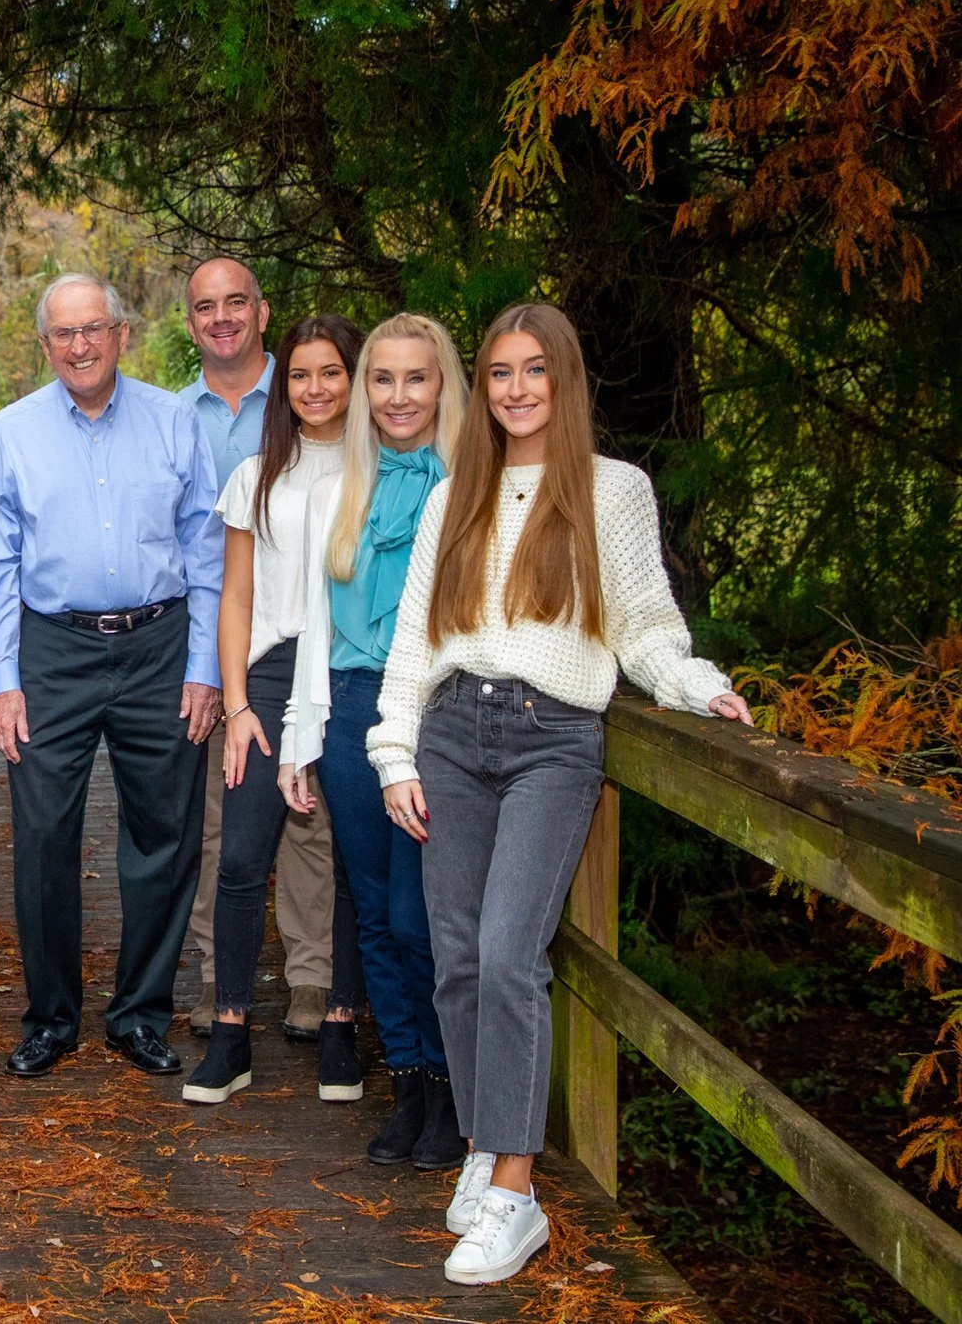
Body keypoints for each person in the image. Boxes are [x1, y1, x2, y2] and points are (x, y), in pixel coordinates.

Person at [371, 302, 751, 1284]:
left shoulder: (609, 489)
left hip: (551, 740)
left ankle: (513, 1188)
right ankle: (479, 1147)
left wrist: (692, 684)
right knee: (454, 958)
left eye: (532, 370)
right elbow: (415, 632)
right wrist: (393, 751)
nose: (514, 389)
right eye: (497, 373)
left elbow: (642, 624)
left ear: (564, 378)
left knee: (507, 952)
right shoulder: (458, 490)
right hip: (451, 733)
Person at [0, 272, 223, 1080]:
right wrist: (6, 679)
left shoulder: (175, 420)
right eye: (62, 334)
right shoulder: (10, 432)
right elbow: (3, 564)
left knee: (164, 835)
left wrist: (204, 666)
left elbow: (207, 550)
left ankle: (140, 1015)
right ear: (44, 344)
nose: (79, 345)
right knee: (44, 836)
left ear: (122, 332)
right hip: (55, 648)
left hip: (161, 646)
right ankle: (51, 1017)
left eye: (93, 329)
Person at [279, 312, 468, 1170]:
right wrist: (299, 738)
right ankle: (411, 1087)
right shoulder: (335, 494)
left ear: (442, 386)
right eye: (381, 380)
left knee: (422, 916)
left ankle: (458, 1092)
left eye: (415, 378)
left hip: (439, 712)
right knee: (378, 925)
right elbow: (315, 633)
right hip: (353, 710)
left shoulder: (469, 486)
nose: (398, 396)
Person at [182, 313, 361, 1106]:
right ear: (281, 385)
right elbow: (236, 597)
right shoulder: (257, 473)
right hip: (270, 671)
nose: (315, 387)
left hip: (355, 674)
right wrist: (239, 705)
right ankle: (230, 1032)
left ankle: (342, 1026)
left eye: (331, 371)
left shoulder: (385, 472)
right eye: (300, 373)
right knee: (242, 857)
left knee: (351, 853)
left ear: (355, 379)